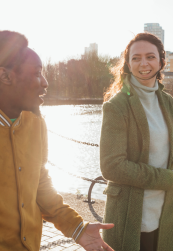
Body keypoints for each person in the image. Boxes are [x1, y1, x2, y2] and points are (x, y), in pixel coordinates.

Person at [0, 30, 114, 251]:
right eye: (37, 74)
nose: (45, 82)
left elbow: (40, 184)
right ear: (5, 76)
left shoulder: (36, 122)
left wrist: (77, 228)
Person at [100, 33, 173, 251]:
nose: (144, 63)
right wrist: (168, 178)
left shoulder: (167, 101)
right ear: (128, 63)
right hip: (130, 213)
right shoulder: (117, 106)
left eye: (150, 57)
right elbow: (112, 167)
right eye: (136, 58)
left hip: (165, 210)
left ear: (161, 62)